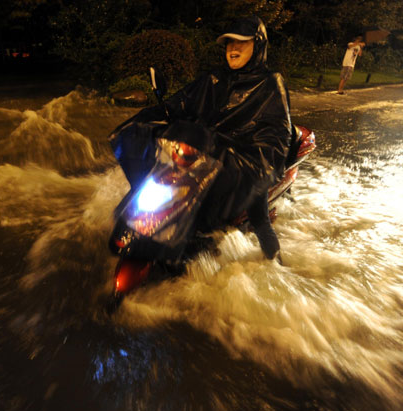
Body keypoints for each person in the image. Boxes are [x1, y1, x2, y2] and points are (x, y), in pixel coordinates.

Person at [109, 16, 292, 262]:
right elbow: (180, 103)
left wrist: (244, 160)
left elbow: (276, 141)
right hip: (198, 158)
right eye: (229, 43)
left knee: (260, 221)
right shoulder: (214, 78)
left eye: (241, 43)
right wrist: (148, 119)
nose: (233, 49)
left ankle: (277, 264)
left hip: (240, 168)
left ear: (257, 45)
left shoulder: (271, 84)